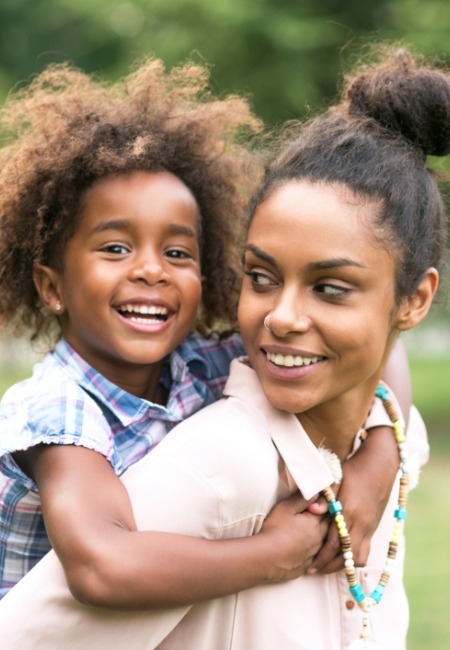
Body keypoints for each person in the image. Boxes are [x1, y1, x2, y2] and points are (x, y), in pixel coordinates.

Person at [0, 46, 443, 649]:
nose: (151, 271)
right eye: (115, 249)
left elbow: (375, 345)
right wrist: (272, 553)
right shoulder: (59, 409)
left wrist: (380, 457)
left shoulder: (194, 364)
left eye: (177, 253)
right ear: (52, 286)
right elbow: (100, 566)